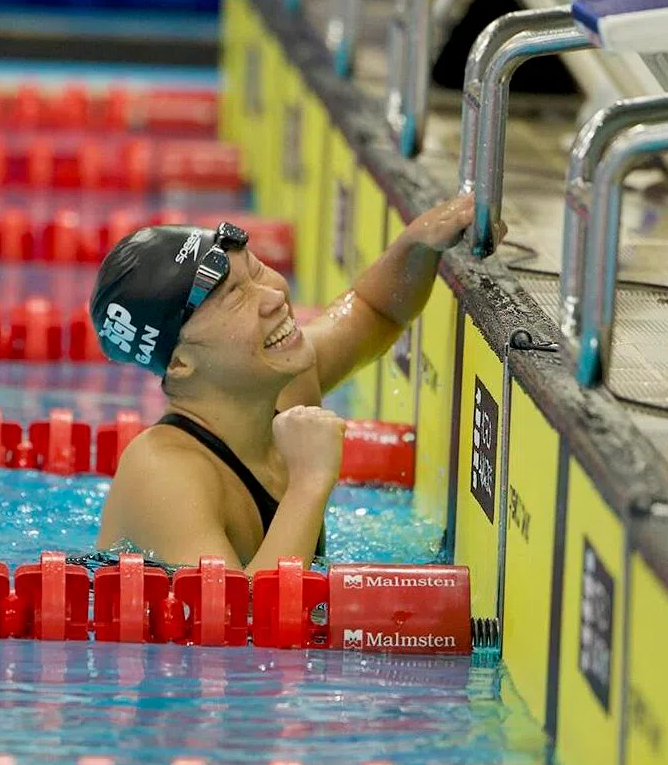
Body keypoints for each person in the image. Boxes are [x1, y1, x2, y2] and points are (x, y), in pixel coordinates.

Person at [91, 192, 491, 573]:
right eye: (235, 297)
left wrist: (419, 242)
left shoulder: (281, 382)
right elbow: (241, 621)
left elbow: (375, 312)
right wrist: (309, 481)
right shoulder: (164, 473)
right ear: (179, 362)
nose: (273, 296)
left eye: (256, 269)